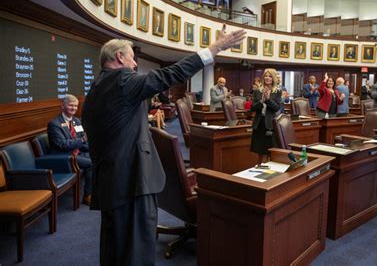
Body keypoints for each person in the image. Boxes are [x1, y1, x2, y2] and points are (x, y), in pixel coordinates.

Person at [81, 27, 245, 265]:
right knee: (136, 250)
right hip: (132, 181)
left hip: (109, 181)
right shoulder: (123, 81)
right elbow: (171, 74)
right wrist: (215, 49)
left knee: (114, 246)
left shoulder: (96, 87)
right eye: (132, 58)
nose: (135, 64)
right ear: (119, 58)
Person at [48, 94, 92, 206]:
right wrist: (82, 140)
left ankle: (95, 190)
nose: (74, 108)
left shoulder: (76, 121)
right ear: (62, 106)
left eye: (76, 106)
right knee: (93, 164)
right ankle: (88, 195)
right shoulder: (54, 124)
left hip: (77, 152)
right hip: (64, 157)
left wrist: (95, 147)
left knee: (98, 156)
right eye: (71, 105)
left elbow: (83, 141)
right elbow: (62, 145)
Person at [250, 68, 282, 163]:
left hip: (270, 125)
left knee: (269, 152)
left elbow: (277, 108)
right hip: (259, 124)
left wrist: (268, 100)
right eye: (265, 76)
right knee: (260, 151)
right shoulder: (257, 91)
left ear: (273, 78)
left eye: (270, 76)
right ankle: (259, 170)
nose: (267, 78)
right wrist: (261, 101)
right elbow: (252, 108)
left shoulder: (277, 91)